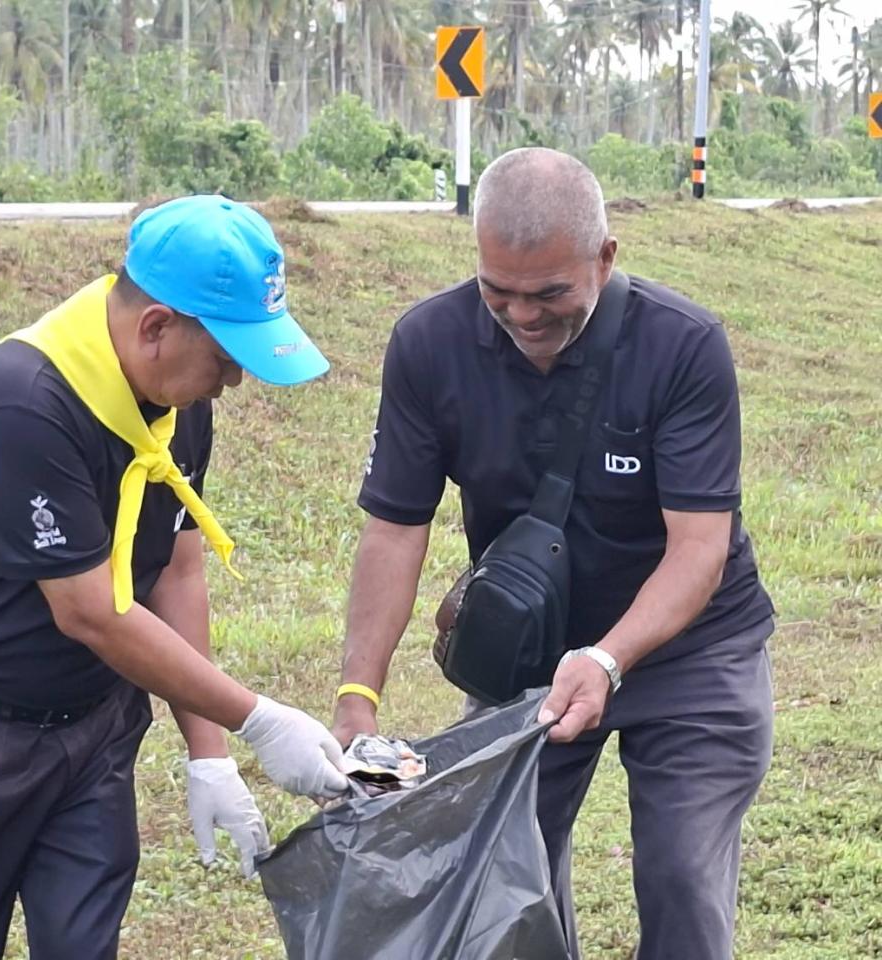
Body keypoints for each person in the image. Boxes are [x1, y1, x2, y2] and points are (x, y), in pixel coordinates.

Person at [0, 195, 348, 960]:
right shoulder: (23, 402)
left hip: (96, 730)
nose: (231, 382)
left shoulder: (173, 400)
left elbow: (178, 565)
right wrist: (255, 718)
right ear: (156, 326)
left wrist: (208, 751)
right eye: (225, 359)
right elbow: (90, 611)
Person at [331, 148, 775, 960]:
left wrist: (606, 661)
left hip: (692, 651)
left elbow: (699, 549)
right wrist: (358, 694)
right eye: (499, 293)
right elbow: (396, 527)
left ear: (606, 257)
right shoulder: (429, 345)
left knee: (682, 875)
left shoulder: (681, 346)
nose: (524, 316)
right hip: (530, 653)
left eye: (550, 294)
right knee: (500, 873)